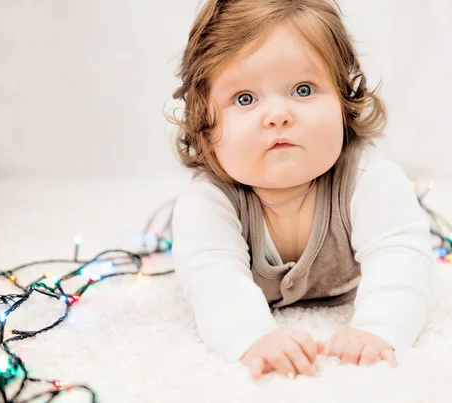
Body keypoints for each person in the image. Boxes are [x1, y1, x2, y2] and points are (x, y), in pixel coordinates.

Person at [169, 0, 433, 380]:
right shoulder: (209, 200)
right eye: (244, 98)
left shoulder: (368, 179)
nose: (277, 115)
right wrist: (251, 337)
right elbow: (212, 278)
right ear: (205, 125)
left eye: (304, 89)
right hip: (206, 214)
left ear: (345, 101)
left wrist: (380, 328)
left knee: (410, 223)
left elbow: (402, 255)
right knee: (188, 242)